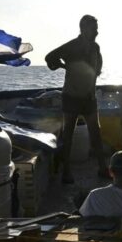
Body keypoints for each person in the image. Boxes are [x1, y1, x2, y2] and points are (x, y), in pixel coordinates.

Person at [45, 15, 107, 184]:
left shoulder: (96, 48)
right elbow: (50, 57)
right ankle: (66, 171)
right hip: (71, 97)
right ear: (83, 28)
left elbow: (97, 69)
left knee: (97, 134)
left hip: (89, 98)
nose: (96, 31)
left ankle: (103, 168)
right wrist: (63, 65)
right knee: (68, 135)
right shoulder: (71, 46)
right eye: (93, 28)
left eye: (96, 27)